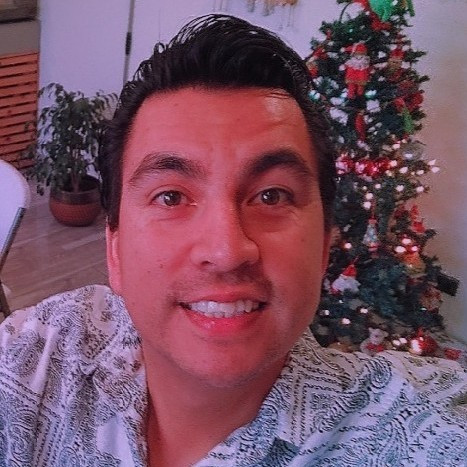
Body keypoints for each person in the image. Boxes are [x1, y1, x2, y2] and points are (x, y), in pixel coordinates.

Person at [0, 14, 465, 467]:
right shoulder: (43, 354)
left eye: (271, 195)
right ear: (115, 251)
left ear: (325, 248)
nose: (225, 251)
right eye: (171, 196)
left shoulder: (416, 430)